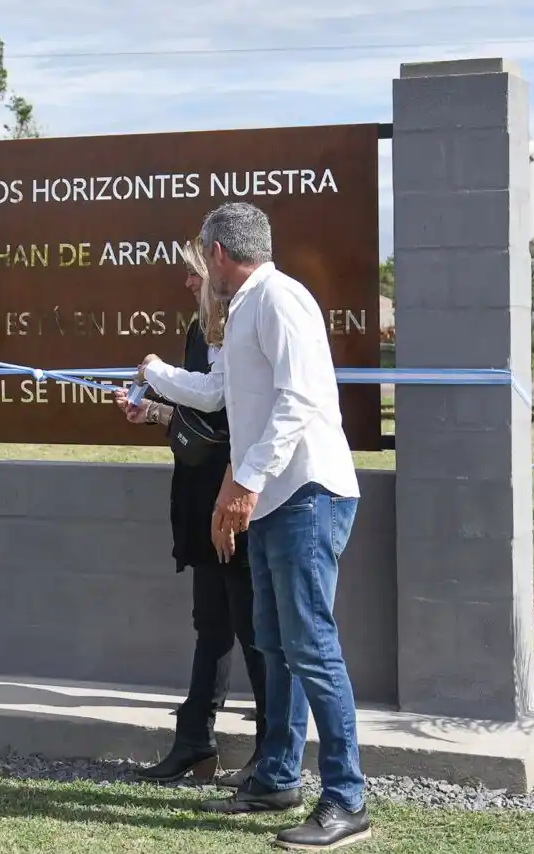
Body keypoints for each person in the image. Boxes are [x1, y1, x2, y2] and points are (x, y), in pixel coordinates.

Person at [137, 202, 368, 850]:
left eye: (198, 259)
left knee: (311, 645)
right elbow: (218, 397)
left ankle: (347, 798)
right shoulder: (241, 312)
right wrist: (154, 375)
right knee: (276, 642)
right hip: (273, 500)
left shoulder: (279, 300)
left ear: (215, 255)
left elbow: (299, 401)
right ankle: (276, 775)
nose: (196, 275)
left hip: (307, 495)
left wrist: (242, 482)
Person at [113, 237, 266, 790]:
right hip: (200, 490)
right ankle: (194, 742)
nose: (187, 284)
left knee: (252, 626)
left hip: (237, 492)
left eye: (193, 274)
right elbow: (198, 421)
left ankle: (271, 753)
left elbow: (227, 411)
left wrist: (155, 374)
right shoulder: (198, 333)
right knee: (211, 625)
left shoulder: (248, 327)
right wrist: (153, 411)